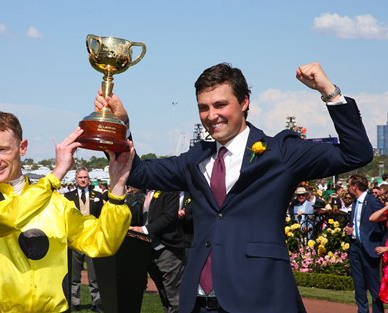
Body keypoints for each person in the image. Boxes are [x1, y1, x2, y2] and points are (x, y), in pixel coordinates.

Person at [95, 62, 373, 312]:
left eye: (220, 105)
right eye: (203, 107)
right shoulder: (196, 158)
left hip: (260, 298)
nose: (211, 115)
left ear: (244, 102)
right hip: (197, 302)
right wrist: (120, 123)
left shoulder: (281, 152)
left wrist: (329, 91)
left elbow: (356, 153)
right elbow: (137, 171)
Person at [0, 111, 133, 313]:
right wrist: (55, 175)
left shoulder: (56, 203)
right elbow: (8, 217)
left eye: (3, 150)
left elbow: (103, 243)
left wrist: (117, 189)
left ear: (22, 148)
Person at [129, 190, 185, 313]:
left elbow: (169, 216)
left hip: (167, 249)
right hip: (148, 250)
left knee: (174, 296)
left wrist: (144, 229)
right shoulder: (141, 193)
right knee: (163, 294)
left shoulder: (169, 190)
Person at [64, 167, 104, 312]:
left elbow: (101, 219)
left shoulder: (98, 196)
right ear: (76, 179)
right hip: (75, 241)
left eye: (85, 177)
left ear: (89, 179)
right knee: (74, 275)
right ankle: (74, 302)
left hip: (92, 241)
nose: (83, 180)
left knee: (94, 276)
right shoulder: (67, 196)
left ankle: (97, 302)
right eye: (80, 177)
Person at [344, 174, 385, 312]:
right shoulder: (355, 202)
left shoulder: (373, 201)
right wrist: (350, 230)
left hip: (370, 248)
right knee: (359, 285)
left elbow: (384, 224)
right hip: (355, 247)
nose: (347, 188)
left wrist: (384, 245)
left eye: (349, 185)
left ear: (355, 187)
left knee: (374, 286)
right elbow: (359, 224)